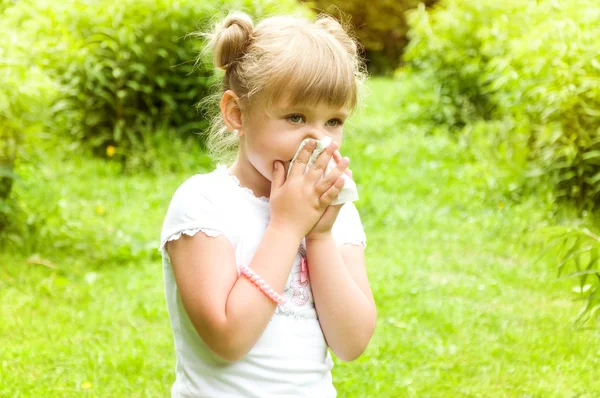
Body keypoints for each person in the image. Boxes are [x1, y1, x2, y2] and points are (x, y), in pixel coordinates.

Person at [159, 10, 376, 397]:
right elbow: (227, 339)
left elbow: (351, 343)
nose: (321, 141)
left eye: (334, 122)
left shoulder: (334, 214)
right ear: (236, 113)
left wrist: (321, 236)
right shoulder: (204, 205)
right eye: (296, 117)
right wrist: (287, 227)